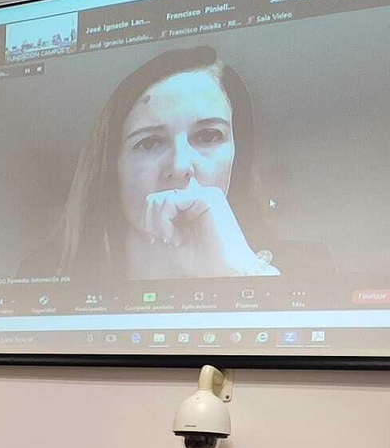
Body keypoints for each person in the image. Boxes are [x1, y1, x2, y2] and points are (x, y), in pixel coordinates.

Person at [32, 45, 281, 281]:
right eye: (150, 143)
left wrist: (241, 272)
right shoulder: (43, 276)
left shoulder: (304, 266)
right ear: (111, 168)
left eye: (208, 136)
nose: (180, 166)